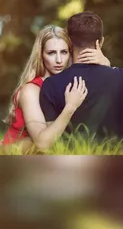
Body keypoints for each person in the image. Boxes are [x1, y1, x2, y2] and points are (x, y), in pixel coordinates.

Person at [1, 24, 110, 153]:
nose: (59, 60)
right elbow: (42, 143)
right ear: (41, 55)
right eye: (51, 53)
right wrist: (70, 107)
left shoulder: (71, 82)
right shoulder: (31, 90)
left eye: (64, 52)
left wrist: (105, 66)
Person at [40, 12, 123, 142]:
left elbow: (52, 142)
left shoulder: (50, 84)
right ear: (100, 42)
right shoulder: (119, 76)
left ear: (69, 43)